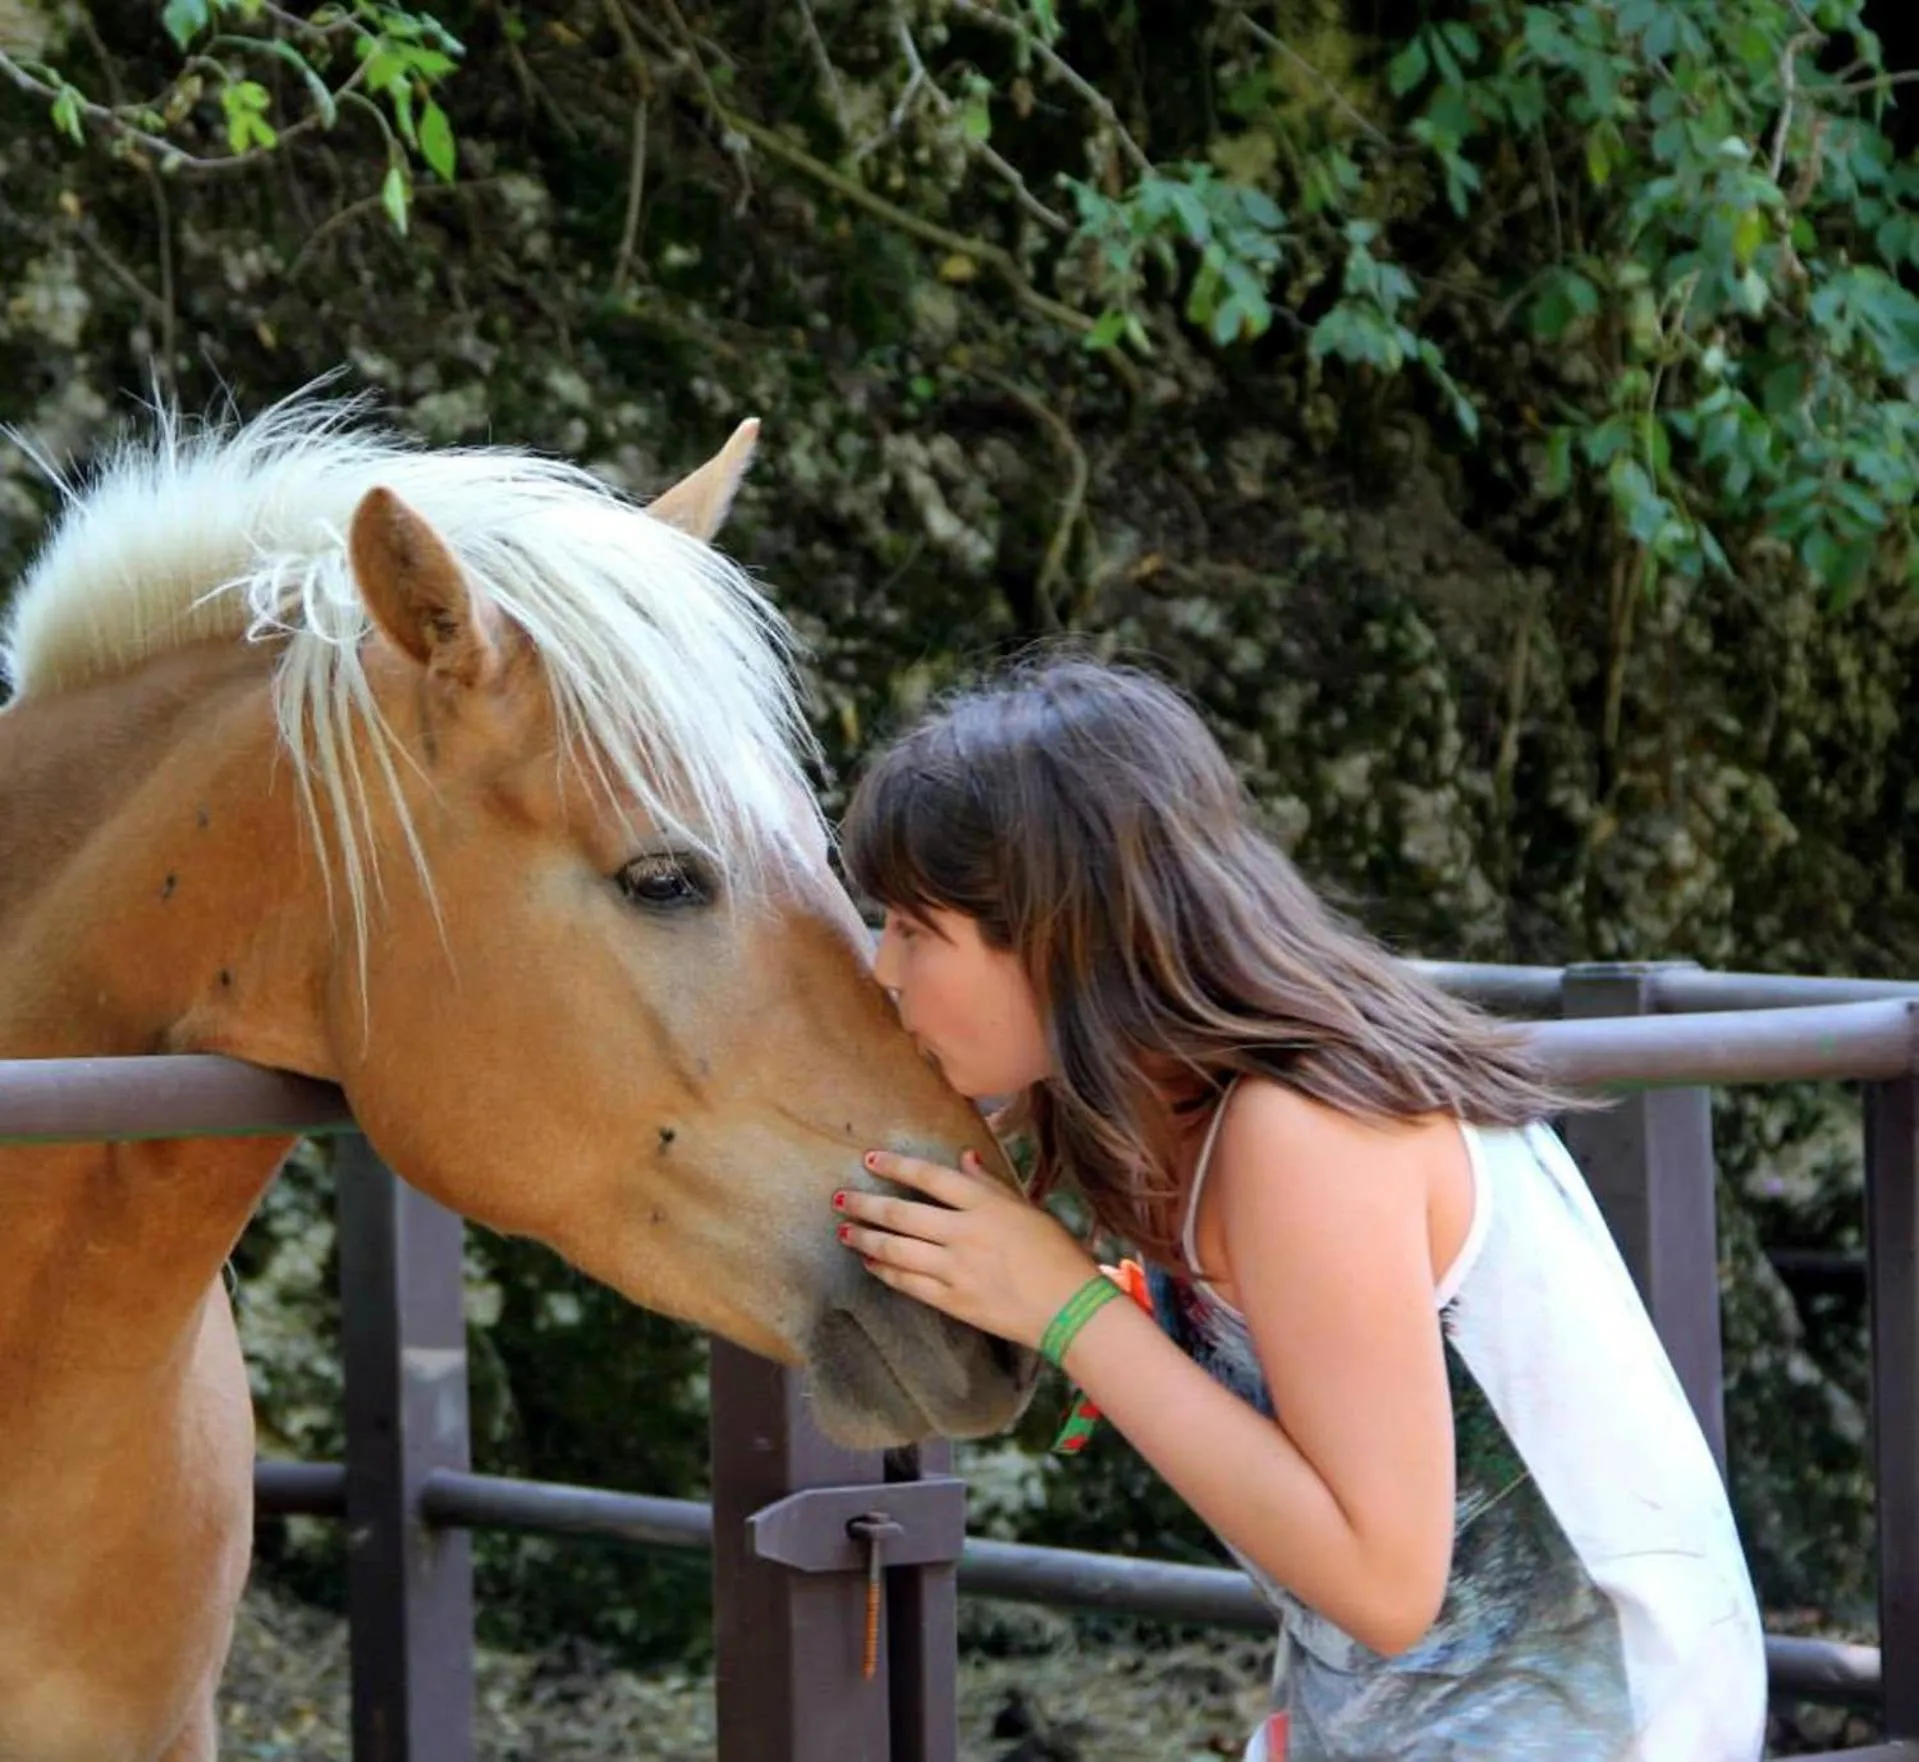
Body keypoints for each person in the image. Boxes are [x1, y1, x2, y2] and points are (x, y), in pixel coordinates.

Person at [830, 652, 1767, 1762]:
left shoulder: (1305, 1128)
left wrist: (1067, 1309)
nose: (882, 970)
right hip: (1393, 1714)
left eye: (912, 929)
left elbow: (1383, 1583)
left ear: (1062, 936)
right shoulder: (1155, 1099)